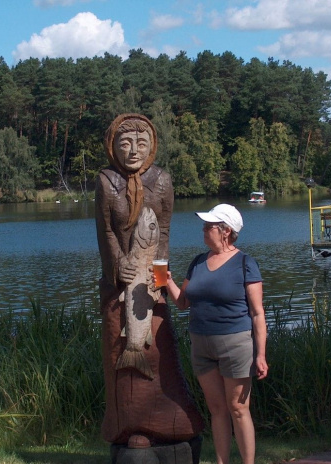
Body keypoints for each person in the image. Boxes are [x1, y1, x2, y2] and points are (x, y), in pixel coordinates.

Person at [95, 113, 204, 447]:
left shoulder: (162, 180)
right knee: (122, 355)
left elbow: (165, 233)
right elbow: (106, 232)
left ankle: (170, 421)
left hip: (151, 286)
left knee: (159, 350)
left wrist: (160, 278)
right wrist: (117, 265)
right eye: (125, 143)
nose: (133, 151)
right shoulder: (106, 181)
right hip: (118, 286)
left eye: (141, 144)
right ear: (113, 146)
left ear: (151, 146)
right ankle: (129, 427)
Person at [164, 203, 268, 464]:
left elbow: (257, 314)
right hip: (201, 345)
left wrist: (261, 355)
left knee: (238, 408)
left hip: (235, 344)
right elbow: (183, 303)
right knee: (217, 409)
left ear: (225, 231)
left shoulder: (245, 264)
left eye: (208, 226)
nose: (203, 229)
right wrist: (166, 281)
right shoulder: (198, 262)